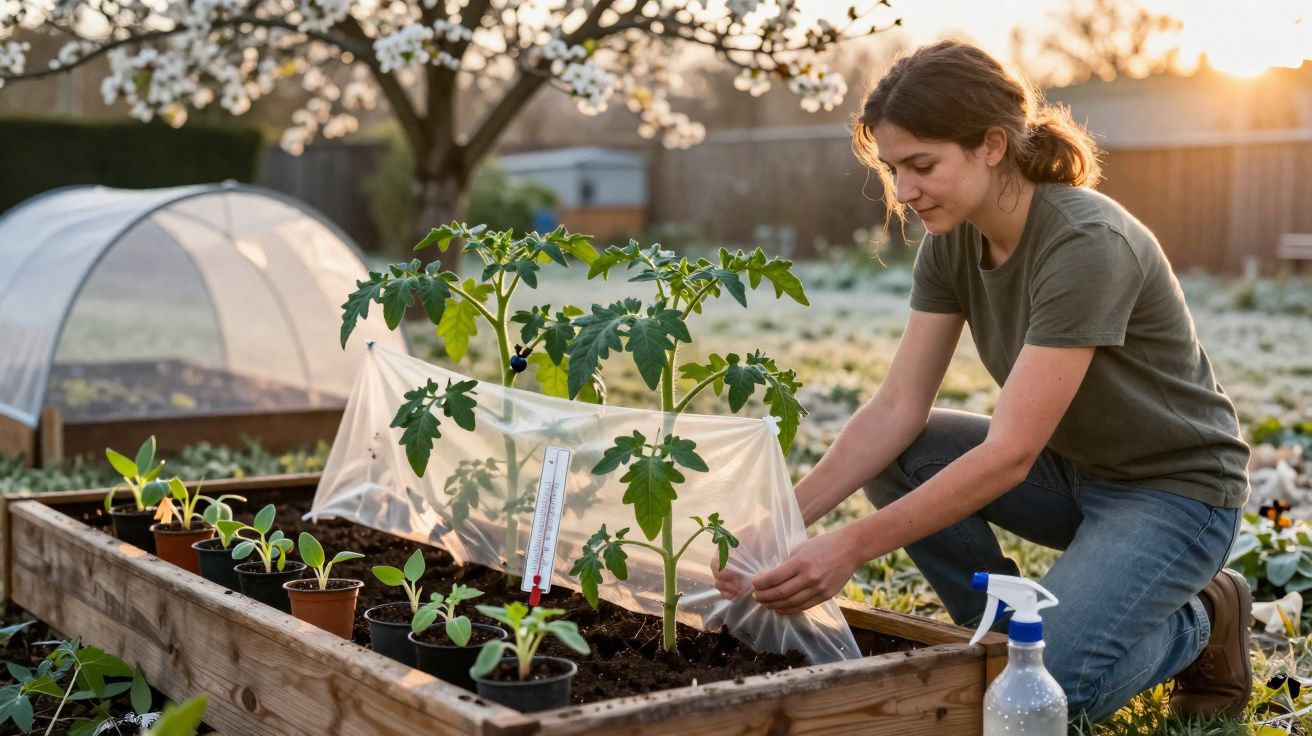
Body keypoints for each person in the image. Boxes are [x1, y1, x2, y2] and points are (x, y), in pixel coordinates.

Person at [713, 39, 1252, 725]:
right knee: (909, 459)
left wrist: (848, 546)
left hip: (1175, 494)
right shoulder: (953, 238)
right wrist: (782, 525)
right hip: (1076, 473)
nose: (904, 192)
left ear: (993, 145)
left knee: (1042, 702)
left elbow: (1009, 454)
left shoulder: (1086, 243)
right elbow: (897, 408)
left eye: (922, 166)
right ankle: (999, 638)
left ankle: (1204, 617)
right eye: (894, 169)